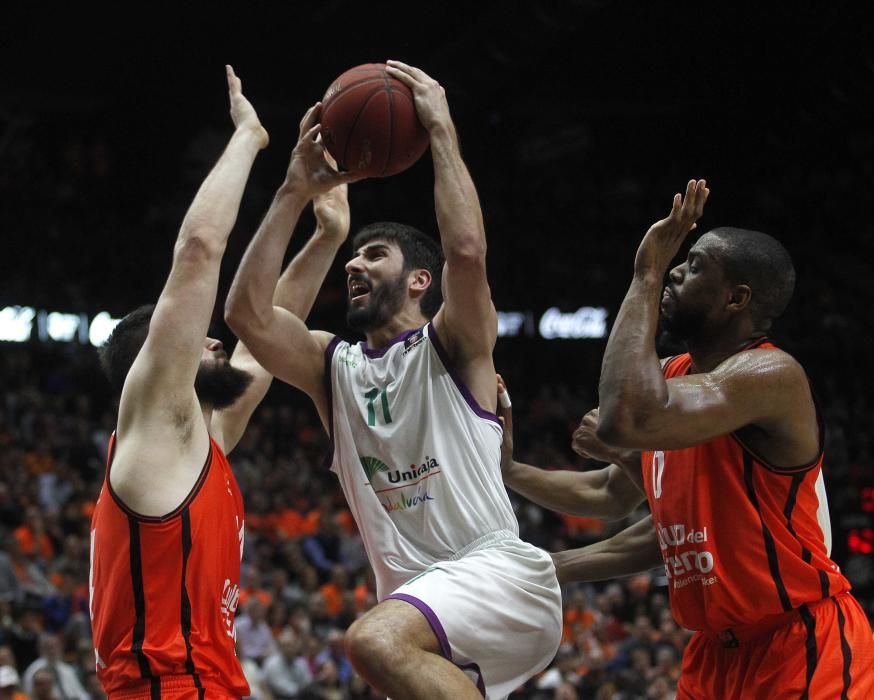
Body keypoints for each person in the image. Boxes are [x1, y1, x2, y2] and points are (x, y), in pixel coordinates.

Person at [225, 60, 562, 699]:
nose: (354, 261)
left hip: (491, 573)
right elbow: (246, 313)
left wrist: (439, 129)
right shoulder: (335, 368)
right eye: (355, 253)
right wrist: (294, 188)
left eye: (374, 254)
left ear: (418, 282)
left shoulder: (455, 344)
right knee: (381, 644)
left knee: (371, 640)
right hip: (420, 609)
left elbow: (465, 252)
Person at [539, 181, 874, 698]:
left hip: (799, 645)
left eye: (693, 266)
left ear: (736, 298)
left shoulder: (771, 373)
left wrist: (646, 272)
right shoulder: (673, 375)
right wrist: (549, 566)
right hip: (714, 656)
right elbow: (670, 531)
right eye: (678, 263)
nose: (675, 269)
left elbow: (624, 419)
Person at [89, 66, 355, 699]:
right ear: (154, 364)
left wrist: (325, 233)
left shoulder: (199, 444)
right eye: (197, 337)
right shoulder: (154, 422)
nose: (215, 340)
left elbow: (265, 334)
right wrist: (250, 138)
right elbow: (200, 248)